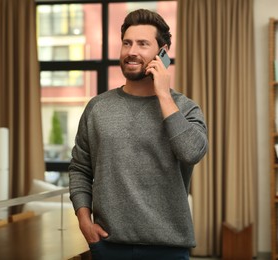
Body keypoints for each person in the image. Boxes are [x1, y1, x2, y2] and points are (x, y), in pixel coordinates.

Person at [69, 9, 208, 260]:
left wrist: (164, 95)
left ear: (162, 52)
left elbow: (191, 152)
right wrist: (84, 221)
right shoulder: (98, 107)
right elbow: (80, 168)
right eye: (127, 43)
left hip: (169, 249)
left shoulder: (185, 107)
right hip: (108, 246)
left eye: (143, 44)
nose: (131, 51)